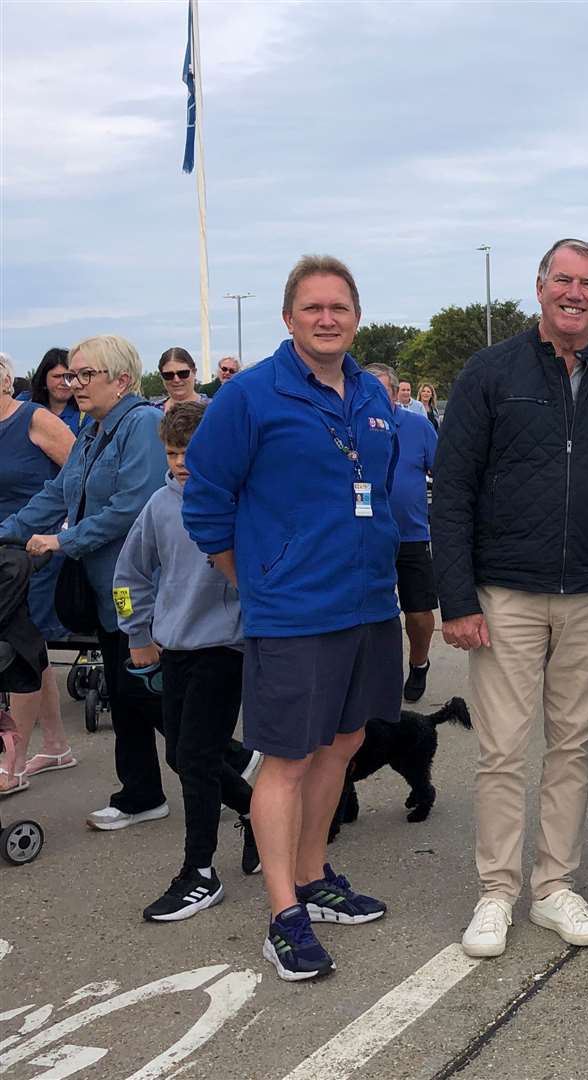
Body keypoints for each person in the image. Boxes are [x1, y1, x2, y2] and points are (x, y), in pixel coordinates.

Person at [184, 255, 401, 982]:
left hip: (369, 602)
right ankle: (283, 913)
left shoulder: (372, 392)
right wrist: (259, 581)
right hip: (294, 614)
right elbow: (206, 504)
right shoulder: (249, 397)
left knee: (342, 746)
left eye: (340, 306)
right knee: (287, 759)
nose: (327, 318)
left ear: (356, 317)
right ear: (288, 317)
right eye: (313, 307)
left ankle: (313, 876)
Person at [433, 238, 588, 958]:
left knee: (573, 747)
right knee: (503, 751)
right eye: (563, 281)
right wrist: (456, 597)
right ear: (539, 287)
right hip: (504, 592)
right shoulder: (490, 372)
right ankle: (496, 893)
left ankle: (554, 888)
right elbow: (450, 492)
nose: (575, 294)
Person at [1, 335, 169, 826]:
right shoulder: (94, 430)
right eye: (72, 375)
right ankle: (141, 793)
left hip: (140, 587)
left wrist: (62, 543)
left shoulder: (143, 425)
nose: (75, 384)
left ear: (121, 379)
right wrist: (8, 533)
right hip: (106, 590)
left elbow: (131, 506)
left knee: (150, 694)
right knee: (127, 692)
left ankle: (234, 765)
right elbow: (57, 493)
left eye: (85, 375)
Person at [115, 401, 258, 920]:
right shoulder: (158, 505)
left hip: (227, 647)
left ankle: (199, 871)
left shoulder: (244, 501)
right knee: (180, 753)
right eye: (173, 453)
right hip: (172, 648)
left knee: (195, 758)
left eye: (191, 454)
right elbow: (128, 576)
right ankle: (256, 812)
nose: (181, 464)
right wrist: (136, 634)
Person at [0, 352, 77, 796]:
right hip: (1, 552)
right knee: (32, 649)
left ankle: (15, 761)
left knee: (19, 647)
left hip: (34, 551)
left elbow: (79, 474)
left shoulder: (34, 419)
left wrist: (65, 532)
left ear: (7, 380)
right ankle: (56, 744)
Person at [364, 363, 439, 702]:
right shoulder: (350, 426)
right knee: (373, 615)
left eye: (382, 392)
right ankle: (377, 676)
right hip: (367, 537)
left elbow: (443, 473)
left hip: (411, 535)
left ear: (395, 394)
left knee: (420, 614)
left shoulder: (419, 426)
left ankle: (419, 663)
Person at [27, 348, 85, 434]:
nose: (64, 383)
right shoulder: (25, 404)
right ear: (43, 378)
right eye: (57, 376)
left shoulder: (87, 412)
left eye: (69, 376)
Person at [158, 347, 208, 413]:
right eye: (169, 375)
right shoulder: (152, 413)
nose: (176, 380)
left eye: (183, 373)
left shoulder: (214, 408)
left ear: (194, 372)